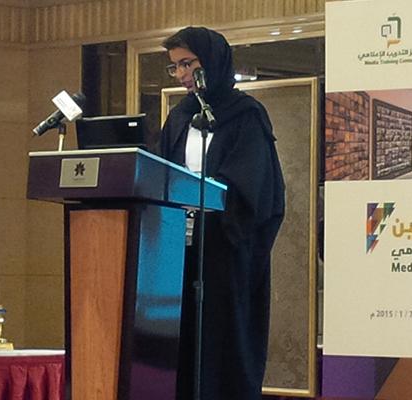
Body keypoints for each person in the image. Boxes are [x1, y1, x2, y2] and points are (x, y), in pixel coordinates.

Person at [159, 26, 285, 400]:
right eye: (175, 67)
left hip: (225, 254)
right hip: (179, 253)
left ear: (212, 61)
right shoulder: (179, 117)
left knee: (222, 349)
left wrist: (210, 198)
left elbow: (254, 187)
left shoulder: (246, 115)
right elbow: (160, 173)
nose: (181, 74)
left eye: (187, 64)